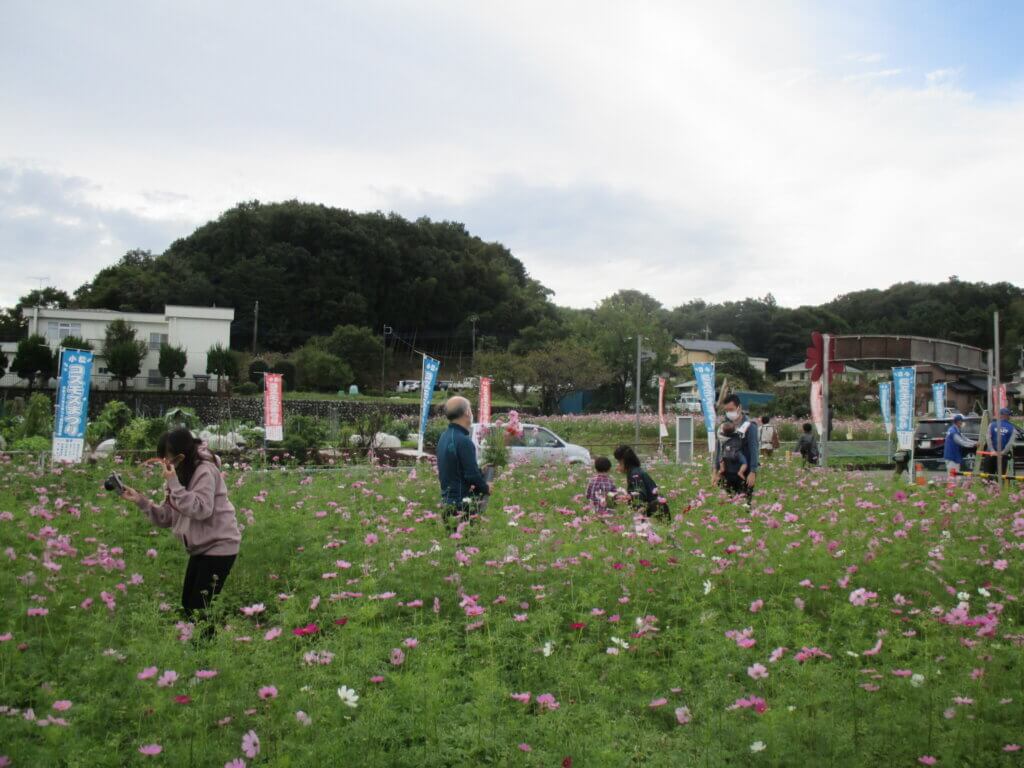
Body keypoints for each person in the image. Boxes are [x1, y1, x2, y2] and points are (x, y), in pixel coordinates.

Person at [120, 428, 241, 627]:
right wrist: (141, 501)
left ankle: (207, 650)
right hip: (201, 547)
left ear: (180, 457)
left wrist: (174, 484)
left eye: (166, 459)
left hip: (220, 545)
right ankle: (211, 642)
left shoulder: (204, 471)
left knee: (200, 609)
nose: (164, 464)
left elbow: (201, 509)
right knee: (189, 605)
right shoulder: (181, 474)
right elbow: (167, 517)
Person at [436, 395, 490, 524]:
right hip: (461, 504)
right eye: (470, 409)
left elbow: (454, 467)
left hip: (447, 501)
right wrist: (486, 487)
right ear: (467, 412)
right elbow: (470, 475)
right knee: (466, 542)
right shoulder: (463, 440)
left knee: (452, 541)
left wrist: (479, 470)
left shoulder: (444, 436)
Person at [714, 394, 759, 503]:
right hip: (727, 473)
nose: (729, 412)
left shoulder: (749, 426)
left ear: (739, 408)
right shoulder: (724, 426)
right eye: (726, 410)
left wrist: (753, 472)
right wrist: (715, 471)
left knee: (743, 506)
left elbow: (754, 450)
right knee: (726, 506)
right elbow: (720, 449)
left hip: (743, 473)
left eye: (731, 409)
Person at [613, 445, 666, 517]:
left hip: (655, 513)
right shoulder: (635, 470)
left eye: (619, 462)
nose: (618, 466)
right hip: (656, 509)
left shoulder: (635, 474)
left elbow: (640, 495)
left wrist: (626, 497)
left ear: (624, 461)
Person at [981, 407, 1016, 477]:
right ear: (1004, 415)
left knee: (988, 477)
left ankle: (989, 486)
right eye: (1009, 415)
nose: (1010, 417)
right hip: (1002, 456)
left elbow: (988, 438)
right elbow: (1010, 443)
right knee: (1000, 478)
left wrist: (992, 450)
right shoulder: (1012, 428)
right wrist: (1002, 452)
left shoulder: (992, 425)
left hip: (990, 454)